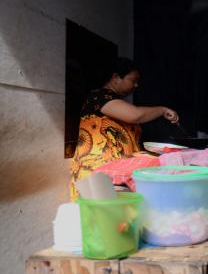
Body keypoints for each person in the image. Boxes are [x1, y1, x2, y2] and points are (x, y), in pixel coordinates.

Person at [70, 57, 179, 200]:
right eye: (133, 80)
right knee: (101, 217)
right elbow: (135, 115)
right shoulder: (99, 97)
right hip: (96, 172)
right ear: (116, 77)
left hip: (116, 174)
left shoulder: (114, 101)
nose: (136, 85)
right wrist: (162, 110)